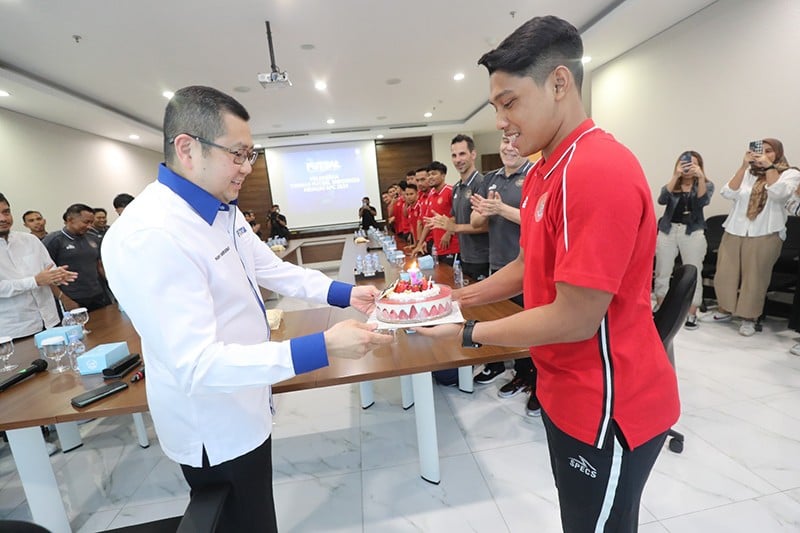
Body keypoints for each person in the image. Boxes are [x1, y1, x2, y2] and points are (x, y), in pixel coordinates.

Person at [415, 16, 679, 532]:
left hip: (608, 402)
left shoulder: (595, 169)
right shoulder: (544, 170)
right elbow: (526, 266)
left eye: (510, 102)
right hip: (565, 388)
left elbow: (576, 318)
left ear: (559, 83)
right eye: (495, 107)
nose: (502, 121)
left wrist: (466, 334)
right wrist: (453, 301)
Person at [101, 85, 392, 532]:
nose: (247, 167)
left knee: (257, 512)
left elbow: (271, 269)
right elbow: (197, 365)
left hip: (247, 399)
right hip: (214, 425)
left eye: (250, 154)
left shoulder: (221, 208)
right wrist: (322, 347)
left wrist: (344, 294)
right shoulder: (152, 235)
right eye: (237, 154)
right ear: (187, 148)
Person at [468, 135, 539, 415]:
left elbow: (537, 221)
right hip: (497, 264)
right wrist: (486, 210)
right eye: (504, 141)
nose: (509, 147)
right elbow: (475, 221)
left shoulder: (535, 175)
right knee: (509, 324)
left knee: (532, 327)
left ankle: (538, 382)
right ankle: (519, 373)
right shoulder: (490, 179)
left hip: (527, 266)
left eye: (515, 141)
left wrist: (501, 209)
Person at [706, 138, 800, 336]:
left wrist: (769, 167)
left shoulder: (790, 173)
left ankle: (749, 318)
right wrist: (743, 166)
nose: (763, 153)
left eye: (769, 150)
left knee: (755, 278)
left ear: (778, 153)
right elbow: (728, 192)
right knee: (725, 274)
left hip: (765, 233)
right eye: (760, 150)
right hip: (735, 229)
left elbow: (779, 194)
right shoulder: (749, 172)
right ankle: (724, 310)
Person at [0, 193, 77, 339]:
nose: (3, 218)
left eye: (6, 212)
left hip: (50, 321)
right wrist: (35, 281)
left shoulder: (30, 240)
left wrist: (58, 276)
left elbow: (49, 268)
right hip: (15, 331)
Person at [654, 151, 714, 330]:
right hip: (668, 229)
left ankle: (692, 312)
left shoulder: (706, 184)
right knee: (663, 269)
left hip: (692, 231)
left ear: (699, 166)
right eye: (685, 163)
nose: (688, 167)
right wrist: (676, 176)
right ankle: (661, 306)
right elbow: (662, 199)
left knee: (693, 271)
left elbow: (702, 201)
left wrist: (700, 178)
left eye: (693, 163)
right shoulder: (673, 184)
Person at [427, 135, 490, 280]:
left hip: (482, 257)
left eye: (462, 154)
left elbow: (486, 226)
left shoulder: (482, 184)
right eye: (454, 155)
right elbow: (455, 217)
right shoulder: (456, 188)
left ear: (473, 154)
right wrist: (443, 222)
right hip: (463, 255)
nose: (458, 160)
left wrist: (454, 228)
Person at [43, 203, 110, 311]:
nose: (89, 226)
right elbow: (46, 274)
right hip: (72, 298)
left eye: (91, 222)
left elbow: (99, 265)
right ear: (70, 220)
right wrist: (64, 299)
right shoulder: (54, 240)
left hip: (97, 294)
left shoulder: (92, 238)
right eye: (86, 222)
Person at [414, 162, 459, 264]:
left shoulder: (451, 191)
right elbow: (428, 223)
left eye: (434, 174)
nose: (430, 177)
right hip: (438, 247)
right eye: (429, 175)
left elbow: (459, 215)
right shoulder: (431, 195)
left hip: (453, 245)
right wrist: (419, 244)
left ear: (443, 175)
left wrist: (448, 233)